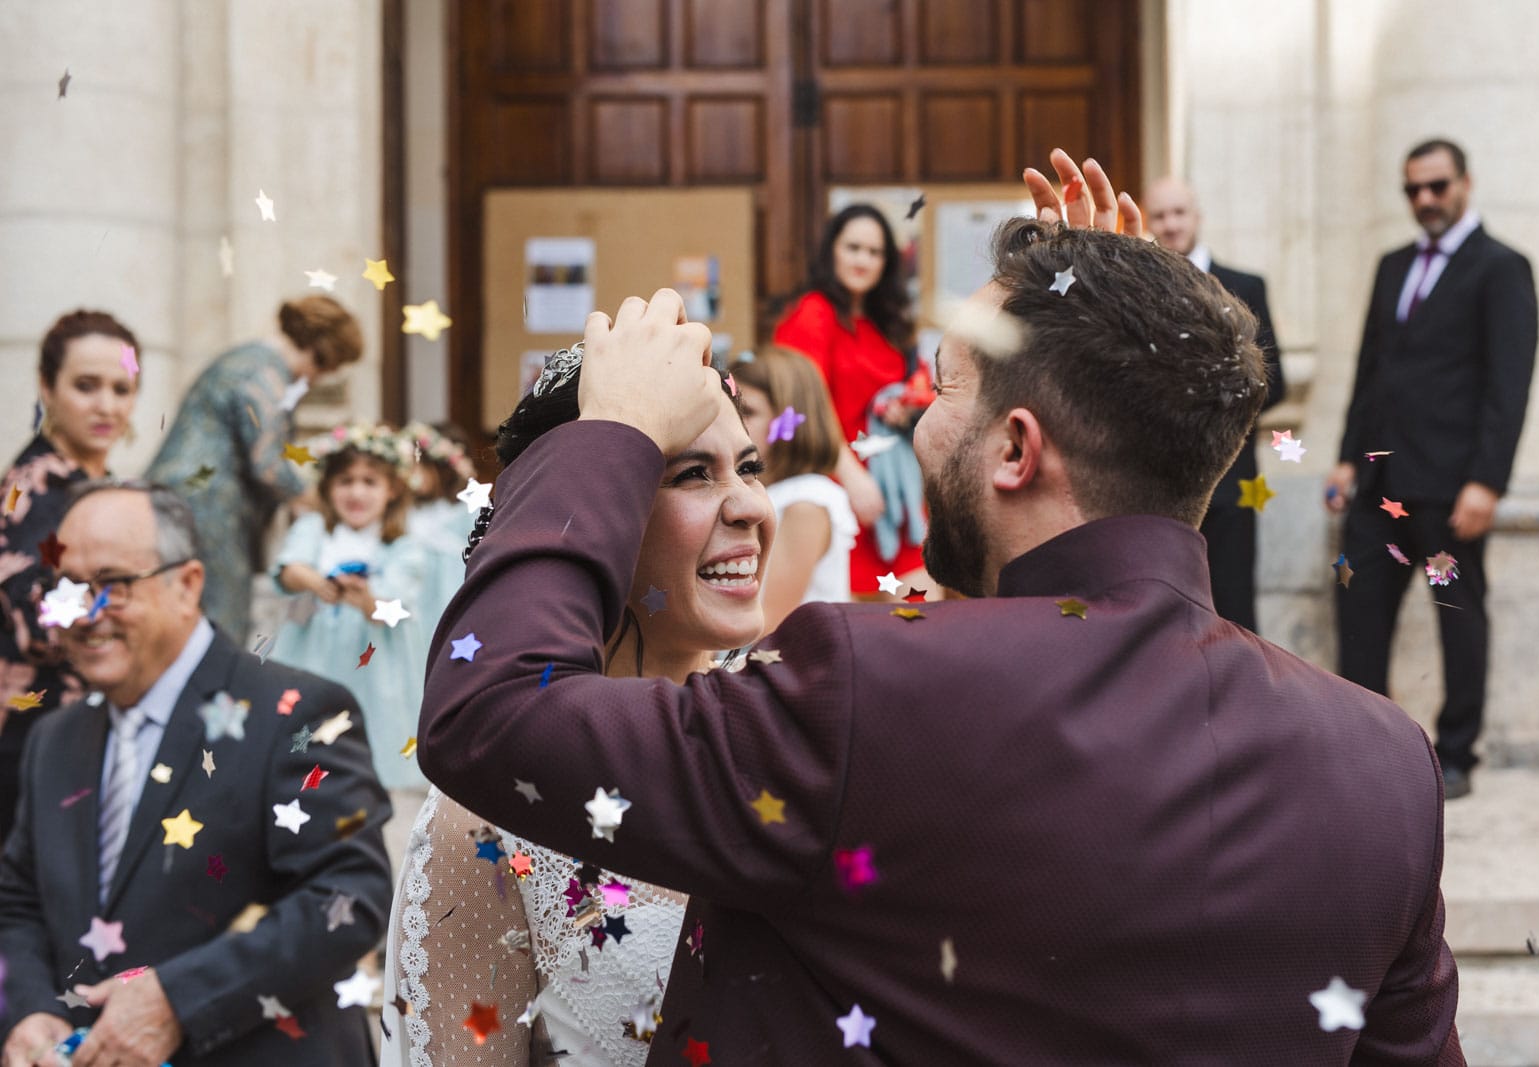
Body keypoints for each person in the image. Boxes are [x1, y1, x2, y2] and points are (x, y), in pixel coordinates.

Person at [417, 151, 1462, 1063]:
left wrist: (614, 433)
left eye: (943, 385)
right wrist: (1133, 363)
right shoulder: (1382, 762)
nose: (919, 415)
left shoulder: (866, 689)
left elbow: (491, 711)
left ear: (1014, 448)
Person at [382, 347, 773, 1066]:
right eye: (693, 474)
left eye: (749, 467)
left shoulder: (798, 731)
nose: (749, 506)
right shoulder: (489, 819)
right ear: (595, 514)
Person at [0, 481, 391, 1066]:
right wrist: (34, 1010)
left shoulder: (297, 712)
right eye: (69, 588)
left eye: (112, 584)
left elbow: (348, 898)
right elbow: (19, 900)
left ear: (187, 585)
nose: (86, 613)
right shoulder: (54, 739)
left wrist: (175, 1001)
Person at [1325, 138, 1537, 801]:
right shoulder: (1393, 266)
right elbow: (1371, 371)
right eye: (1413, 189)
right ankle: (1365, 743)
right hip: (1377, 490)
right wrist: (1342, 454)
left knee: (1457, 614)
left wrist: (1488, 481)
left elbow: (1509, 383)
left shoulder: (1502, 269)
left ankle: (1455, 754)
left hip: (1449, 494)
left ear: (1465, 184)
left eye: (1437, 187)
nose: (1425, 200)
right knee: (1357, 608)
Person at [147, 295, 363, 644]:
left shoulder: (244, 360)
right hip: (209, 507)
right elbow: (269, 465)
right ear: (322, 353)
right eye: (327, 369)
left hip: (174, 501)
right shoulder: (267, 373)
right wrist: (321, 503)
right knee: (219, 620)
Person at [0, 311, 141, 846]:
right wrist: (124, 598)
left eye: (121, 388)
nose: (107, 405)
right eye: (86, 386)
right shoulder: (39, 484)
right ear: (47, 387)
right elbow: (32, 619)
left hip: (82, 732)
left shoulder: (93, 484)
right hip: (34, 734)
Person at [1144, 176, 1286, 632]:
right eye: (1161, 216)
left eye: (1179, 213)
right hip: (1156, 484)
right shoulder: (1137, 293)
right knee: (1166, 613)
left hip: (1232, 481)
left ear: (1197, 216)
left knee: (1234, 607)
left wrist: (1199, 406)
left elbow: (1274, 382)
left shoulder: (1246, 286)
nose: (1170, 225)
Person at [775, 204, 929, 597]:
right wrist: (852, 478)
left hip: (897, 495)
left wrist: (904, 405)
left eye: (875, 252)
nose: (863, 259)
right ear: (832, 251)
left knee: (920, 614)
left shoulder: (889, 322)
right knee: (855, 629)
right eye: (853, 247)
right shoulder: (813, 314)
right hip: (841, 492)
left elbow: (920, 382)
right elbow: (800, 406)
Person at [270, 424, 429, 798]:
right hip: (313, 657)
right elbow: (289, 569)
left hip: (374, 667)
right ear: (327, 488)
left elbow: (392, 609)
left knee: (370, 746)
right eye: (345, 481)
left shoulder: (403, 547)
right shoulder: (314, 530)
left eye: (369, 482)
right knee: (307, 737)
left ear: (392, 490)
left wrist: (365, 599)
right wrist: (317, 583)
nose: (356, 492)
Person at [729, 347, 857, 627]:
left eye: (748, 412)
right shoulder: (759, 491)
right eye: (731, 409)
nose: (735, 423)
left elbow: (772, 620)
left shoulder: (806, 501)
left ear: (790, 423)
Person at [398, 421, 477, 645]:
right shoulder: (405, 509)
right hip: (411, 597)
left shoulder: (466, 509)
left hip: (448, 595)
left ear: (443, 468)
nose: (413, 473)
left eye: (420, 465)